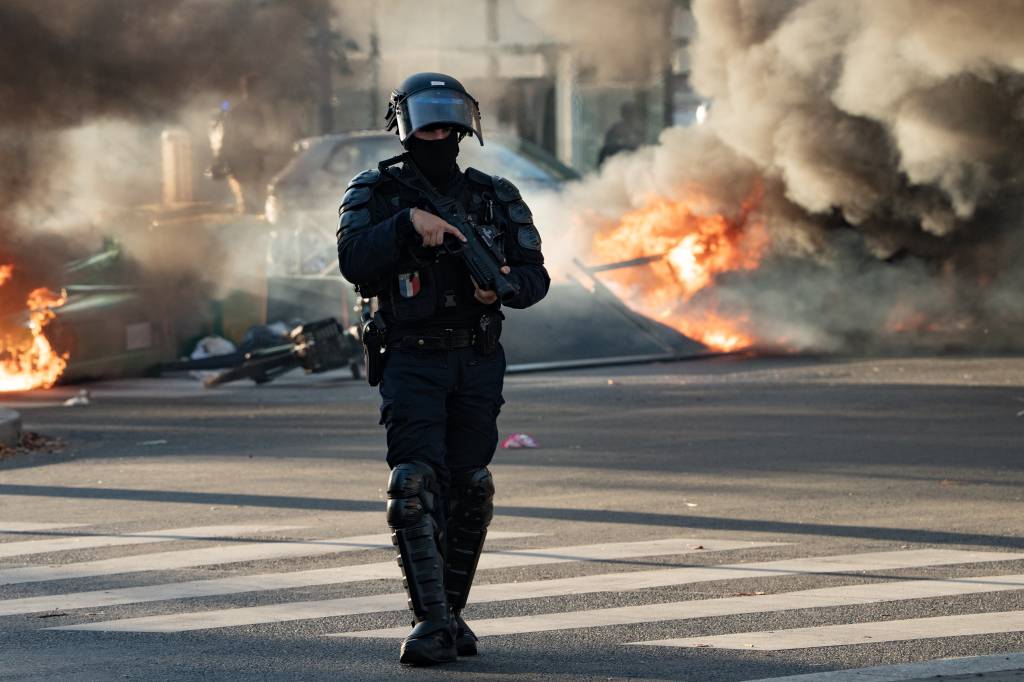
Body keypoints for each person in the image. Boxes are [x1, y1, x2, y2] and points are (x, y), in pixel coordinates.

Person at [336, 72, 549, 666]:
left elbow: (535, 279)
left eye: (447, 123)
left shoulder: (493, 196)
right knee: (412, 484)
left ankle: (452, 615)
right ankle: (429, 621)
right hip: (411, 355)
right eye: (427, 123)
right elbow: (353, 261)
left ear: (464, 128)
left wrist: (500, 290)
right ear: (405, 127)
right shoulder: (375, 192)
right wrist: (406, 226)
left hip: (476, 356)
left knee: (469, 485)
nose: (439, 133)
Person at [597, 101, 645, 167]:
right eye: (627, 112)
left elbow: (641, 149)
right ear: (622, 113)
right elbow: (607, 149)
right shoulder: (614, 130)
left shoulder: (638, 131)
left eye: (631, 112)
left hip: (633, 165)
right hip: (616, 165)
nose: (629, 115)